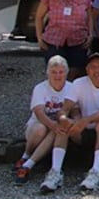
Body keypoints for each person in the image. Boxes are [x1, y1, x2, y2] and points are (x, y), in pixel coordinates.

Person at [41, 52, 99, 193]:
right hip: (83, 129)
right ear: (87, 70)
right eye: (92, 66)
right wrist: (63, 119)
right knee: (64, 125)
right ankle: (55, 171)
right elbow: (64, 109)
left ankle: (96, 172)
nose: (96, 70)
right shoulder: (78, 83)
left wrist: (85, 120)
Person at [14, 56, 73, 185]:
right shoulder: (40, 88)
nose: (57, 75)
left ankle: (28, 165)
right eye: (54, 72)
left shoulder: (72, 88)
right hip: (39, 124)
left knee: (60, 128)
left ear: (66, 73)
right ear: (47, 73)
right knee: (41, 129)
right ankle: (26, 155)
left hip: (57, 126)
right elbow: (39, 112)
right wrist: (53, 125)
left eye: (61, 72)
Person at [35, 0, 93, 81]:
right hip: (54, 41)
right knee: (56, 74)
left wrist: (90, 35)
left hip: (78, 40)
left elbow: (90, 17)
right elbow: (39, 17)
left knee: (75, 75)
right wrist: (39, 38)